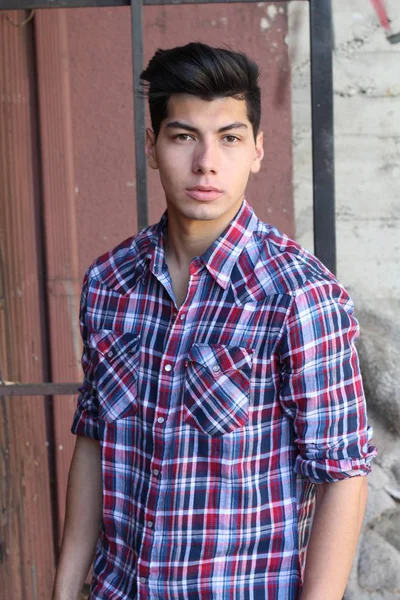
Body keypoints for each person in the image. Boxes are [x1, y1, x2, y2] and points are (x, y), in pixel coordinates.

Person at [52, 42, 377, 600]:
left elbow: (343, 476)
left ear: (257, 150)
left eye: (229, 138)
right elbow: (93, 442)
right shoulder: (109, 283)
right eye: (184, 137)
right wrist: (62, 589)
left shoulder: (300, 294)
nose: (207, 161)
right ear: (152, 146)